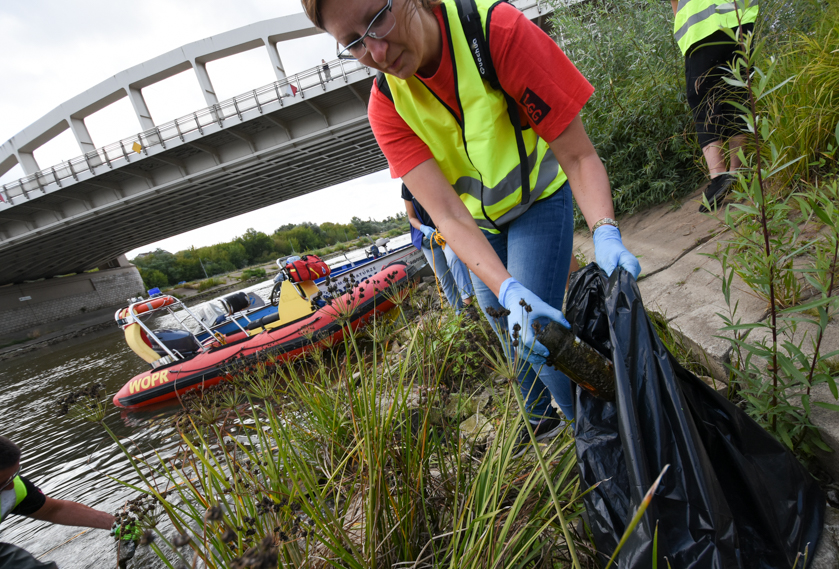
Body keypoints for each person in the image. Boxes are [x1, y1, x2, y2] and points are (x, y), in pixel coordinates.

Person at [302, 0, 640, 449]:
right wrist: (505, 289)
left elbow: (577, 156)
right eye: (354, 43)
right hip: (477, 226)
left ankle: (607, 440)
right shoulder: (387, 107)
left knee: (540, 336)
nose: (377, 53)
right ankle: (545, 420)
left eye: (377, 19)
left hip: (537, 199)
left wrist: (604, 231)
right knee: (509, 324)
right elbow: (447, 216)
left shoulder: (495, 30)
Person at [0, 436, 128, 569]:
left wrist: (117, 524)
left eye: (13, 475)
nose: (10, 485)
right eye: (3, 482)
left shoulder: (13, 488)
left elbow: (54, 510)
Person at [671, 0, 758, 211]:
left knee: (703, 100)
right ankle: (737, 172)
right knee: (739, 92)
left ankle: (719, 176)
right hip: (741, 16)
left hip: (700, 27)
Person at [403, 183, 474, 314]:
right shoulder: (406, 186)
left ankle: (469, 304)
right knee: (444, 277)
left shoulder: (432, 174)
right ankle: (459, 312)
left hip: (446, 233)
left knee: (455, 260)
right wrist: (423, 228)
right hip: (428, 240)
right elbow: (412, 217)